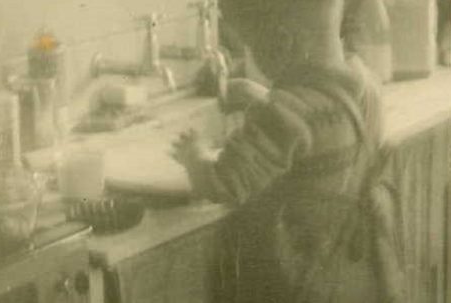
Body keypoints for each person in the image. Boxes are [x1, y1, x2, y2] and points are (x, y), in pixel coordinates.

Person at [171, 0, 405, 302]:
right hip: (336, 274)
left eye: (253, 46)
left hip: (288, 282)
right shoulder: (352, 96)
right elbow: (309, 126)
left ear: (281, 42)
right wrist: (266, 98)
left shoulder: (281, 114)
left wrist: (195, 155)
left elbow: (224, 184)